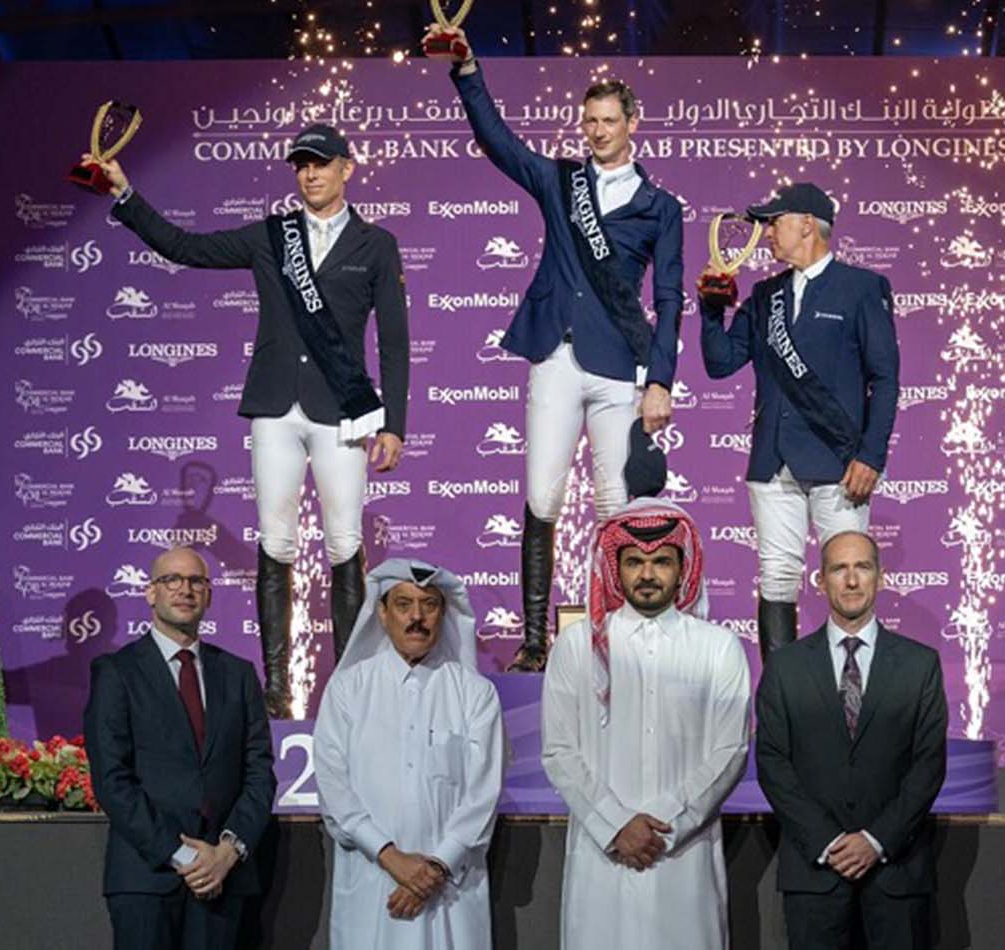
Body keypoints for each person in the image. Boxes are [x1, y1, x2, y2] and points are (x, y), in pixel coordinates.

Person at [86, 123, 411, 715]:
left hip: (343, 408)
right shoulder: (271, 236)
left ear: (346, 168)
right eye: (300, 165)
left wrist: (394, 425)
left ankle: (348, 687)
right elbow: (186, 247)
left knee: (344, 543)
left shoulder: (376, 244)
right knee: (277, 543)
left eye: (319, 163)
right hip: (274, 407)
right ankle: (279, 689)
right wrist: (124, 195)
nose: (309, 173)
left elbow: (394, 342)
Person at [428, 25, 687, 671]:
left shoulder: (662, 207)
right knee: (541, 496)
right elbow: (499, 145)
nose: (596, 131)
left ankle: (618, 641)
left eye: (607, 120)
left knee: (615, 507)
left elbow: (675, 297)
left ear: (632, 124)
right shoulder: (561, 180)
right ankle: (538, 643)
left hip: (620, 367)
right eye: (589, 121)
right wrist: (467, 71)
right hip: (558, 357)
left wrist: (661, 380)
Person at [698, 182, 900, 660]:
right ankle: (782, 703)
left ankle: (850, 698)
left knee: (849, 577)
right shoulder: (766, 295)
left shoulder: (863, 288)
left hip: (841, 464)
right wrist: (710, 309)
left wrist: (871, 455)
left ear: (807, 225)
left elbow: (885, 380)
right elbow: (720, 362)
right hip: (773, 462)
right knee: (777, 577)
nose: (767, 232)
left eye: (775, 221)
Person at [540, 499, 750, 950]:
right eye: (634, 561)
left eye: (661, 562)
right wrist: (616, 825)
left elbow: (729, 751)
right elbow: (560, 751)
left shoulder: (718, 648)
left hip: (683, 857)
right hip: (603, 857)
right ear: (616, 569)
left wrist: (665, 823)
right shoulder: (577, 648)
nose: (648, 574)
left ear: (683, 568)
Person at [754, 531, 948, 949]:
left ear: (880, 577)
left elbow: (928, 764)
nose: (852, 580)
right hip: (814, 873)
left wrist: (876, 840)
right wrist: (828, 841)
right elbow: (772, 763)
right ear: (820, 581)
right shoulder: (785, 667)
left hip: (896, 874)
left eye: (863, 567)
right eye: (840, 569)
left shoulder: (921, 665)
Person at [83, 546, 276, 949]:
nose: (184, 589)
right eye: (171, 579)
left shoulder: (238, 674)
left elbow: (259, 773)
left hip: (224, 881)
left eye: (195, 581)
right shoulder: (117, 672)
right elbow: (112, 779)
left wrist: (227, 852)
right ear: (151, 593)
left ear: (207, 595)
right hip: (145, 879)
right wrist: (180, 855)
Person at [313, 559, 505, 950]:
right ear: (381, 613)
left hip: (450, 888)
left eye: (429, 605)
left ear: (443, 613)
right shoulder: (348, 689)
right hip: (374, 884)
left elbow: (483, 794)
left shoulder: (475, 693)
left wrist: (436, 867)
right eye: (403, 605)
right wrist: (389, 857)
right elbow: (334, 787)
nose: (417, 617)